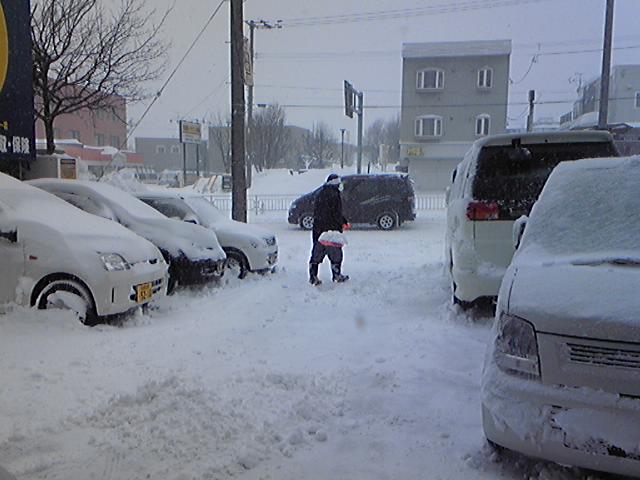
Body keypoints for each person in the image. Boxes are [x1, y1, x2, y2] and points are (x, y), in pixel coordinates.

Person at [309, 173, 350, 285]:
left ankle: (313, 276)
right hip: (331, 230)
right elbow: (336, 213)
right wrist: (343, 222)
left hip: (319, 230)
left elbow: (319, 211)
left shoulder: (320, 193)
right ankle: (336, 274)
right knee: (336, 254)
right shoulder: (334, 195)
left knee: (316, 255)